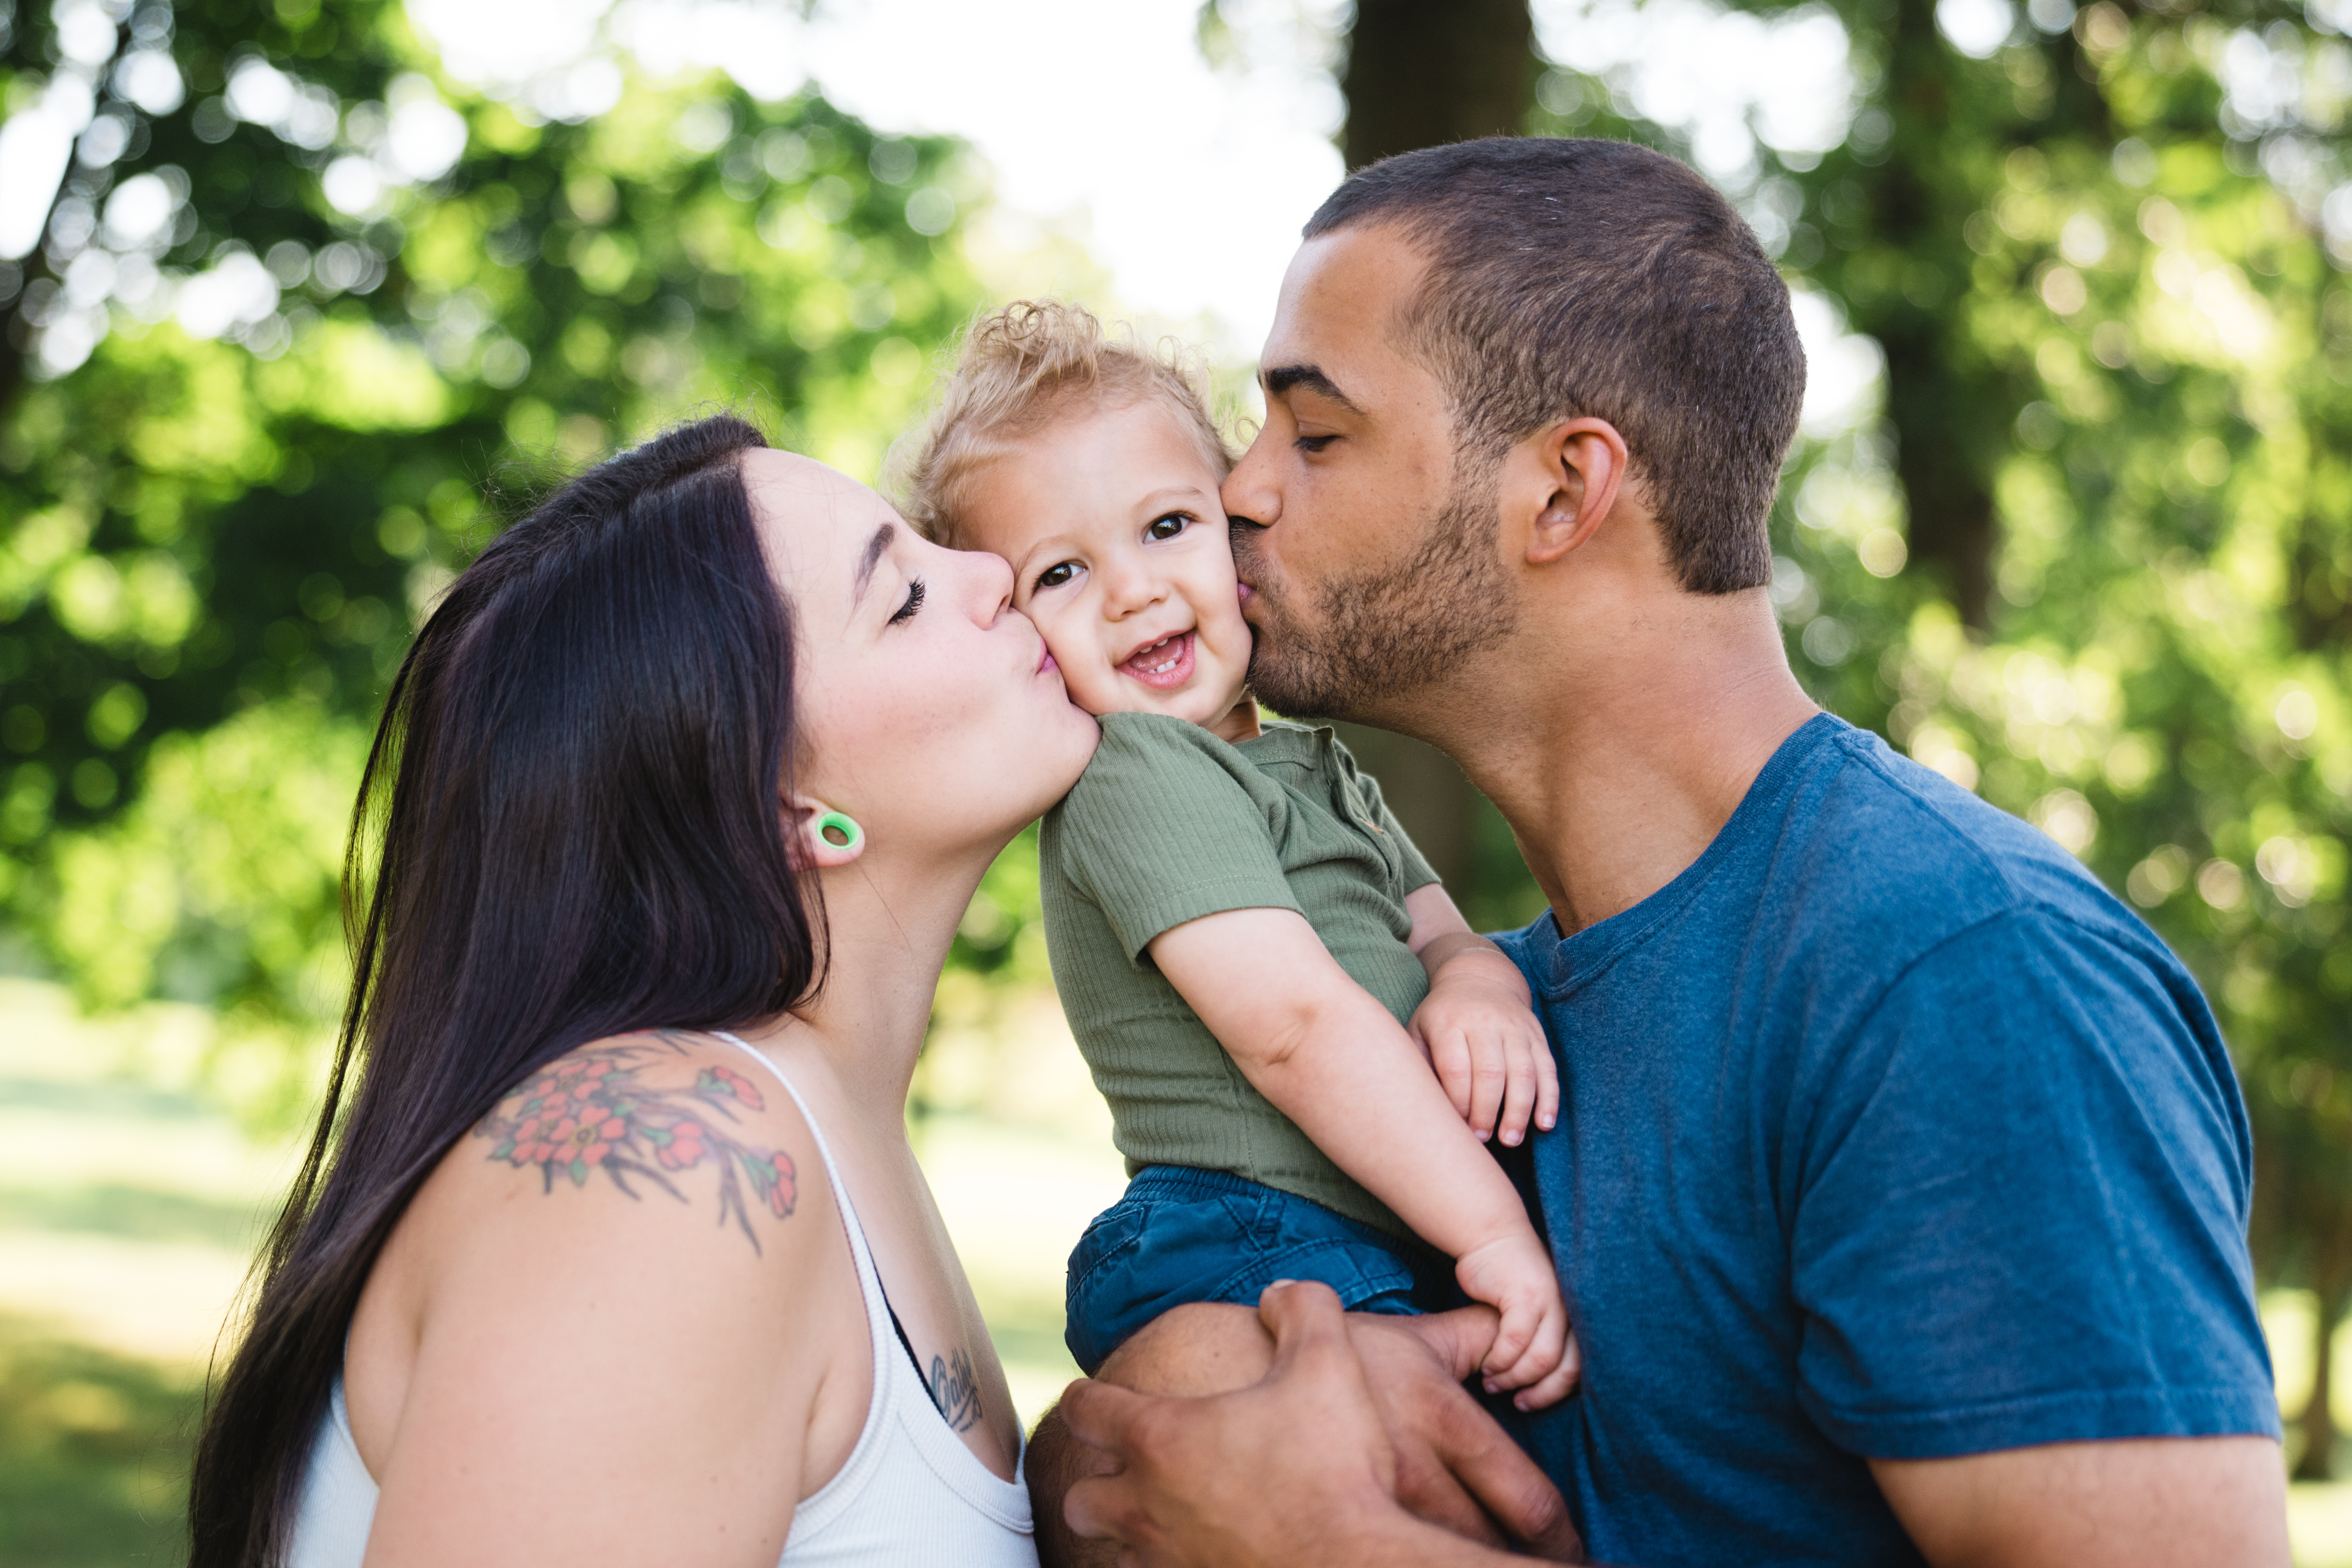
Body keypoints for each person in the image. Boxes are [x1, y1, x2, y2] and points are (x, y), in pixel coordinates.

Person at [1032, 137, 2290, 1567]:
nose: (1239, 491)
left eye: (1313, 436)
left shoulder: (1956, 973)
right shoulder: (1460, 1004)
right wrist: (1104, 1460)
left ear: (1564, 492)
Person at [186, 415, 1098, 1567]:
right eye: (902, 595)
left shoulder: (825, 1136)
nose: (990, 573)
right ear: (778, 811)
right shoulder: (669, 1166)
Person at [894, 300, 1571, 1406]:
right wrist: (1492, 1232)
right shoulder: (1135, 771)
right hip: (1242, 1234)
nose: (1134, 590)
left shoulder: (1315, 766)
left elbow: (1441, 928)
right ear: (1016, 633)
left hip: (1358, 1223)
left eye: (1167, 527)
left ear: (1236, 528)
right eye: (1059, 574)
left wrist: (1479, 988)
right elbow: (1295, 1032)